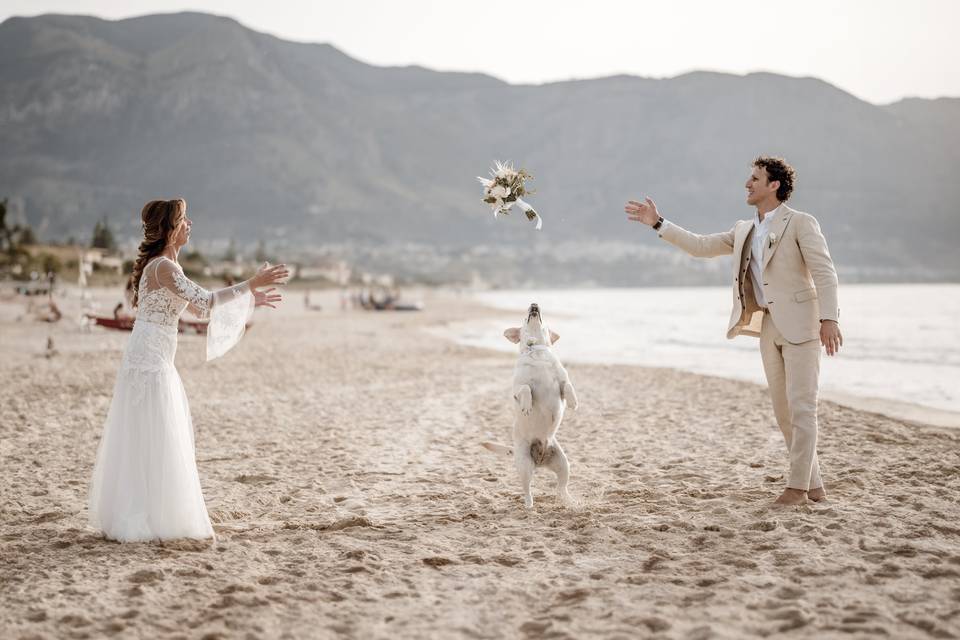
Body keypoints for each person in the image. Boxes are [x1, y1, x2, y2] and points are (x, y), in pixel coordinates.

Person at [624, 156, 842, 506]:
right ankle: (814, 486)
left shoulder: (800, 223)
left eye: (755, 178)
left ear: (774, 185)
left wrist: (829, 318)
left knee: (803, 408)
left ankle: (797, 488)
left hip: (803, 324)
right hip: (769, 326)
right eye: (749, 178)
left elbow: (825, 272)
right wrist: (657, 223)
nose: (747, 183)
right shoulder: (744, 229)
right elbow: (699, 246)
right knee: (784, 412)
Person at [88, 198, 288, 541]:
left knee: (153, 431)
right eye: (184, 219)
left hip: (154, 357)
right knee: (156, 430)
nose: (190, 224)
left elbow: (198, 309)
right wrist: (251, 285)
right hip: (150, 361)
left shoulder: (167, 266)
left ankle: (147, 510)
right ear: (170, 229)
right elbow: (206, 302)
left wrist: (249, 299)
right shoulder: (164, 267)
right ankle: (146, 516)